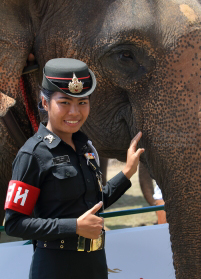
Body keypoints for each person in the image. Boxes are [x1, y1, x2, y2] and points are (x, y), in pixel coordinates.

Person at [4, 58, 144, 279]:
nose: (74, 112)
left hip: (95, 264)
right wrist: (74, 227)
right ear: (44, 101)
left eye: (82, 102)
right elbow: (14, 224)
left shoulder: (85, 148)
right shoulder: (32, 155)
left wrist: (127, 172)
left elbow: (95, 203)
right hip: (56, 267)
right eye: (64, 102)